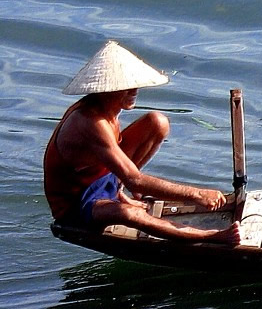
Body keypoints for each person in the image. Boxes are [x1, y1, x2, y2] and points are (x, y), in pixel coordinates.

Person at [43, 41, 240, 245]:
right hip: (76, 205)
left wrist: (120, 191)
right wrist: (196, 194)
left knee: (157, 122)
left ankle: (118, 192)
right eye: (125, 87)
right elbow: (134, 179)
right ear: (106, 90)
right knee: (129, 214)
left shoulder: (110, 110)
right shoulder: (90, 122)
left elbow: (111, 162)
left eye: (134, 85)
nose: (134, 91)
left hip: (103, 180)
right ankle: (211, 236)